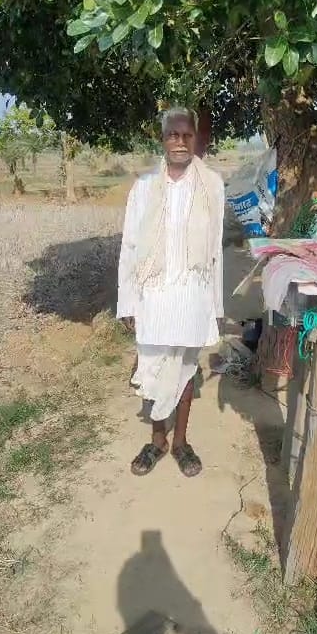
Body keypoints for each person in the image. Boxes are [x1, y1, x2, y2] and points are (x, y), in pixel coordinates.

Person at [117, 108, 224, 477]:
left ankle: (180, 442)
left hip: (193, 294)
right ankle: (156, 439)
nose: (180, 142)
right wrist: (127, 303)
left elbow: (215, 250)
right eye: (172, 135)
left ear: (195, 138)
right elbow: (130, 247)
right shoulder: (144, 187)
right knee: (152, 368)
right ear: (162, 140)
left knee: (185, 369)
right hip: (154, 295)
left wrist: (215, 306)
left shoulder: (212, 185)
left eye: (186, 135)